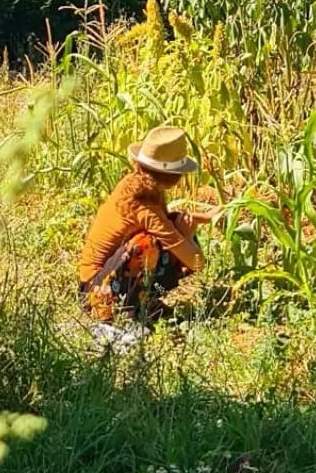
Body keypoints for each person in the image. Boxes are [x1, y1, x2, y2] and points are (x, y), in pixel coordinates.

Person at [78, 125, 217, 325]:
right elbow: (197, 263)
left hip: (100, 277)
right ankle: (122, 307)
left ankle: (145, 299)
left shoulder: (135, 184)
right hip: (96, 290)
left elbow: (165, 223)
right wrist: (186, 235)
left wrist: (204, 217)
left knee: (174, 225)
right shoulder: (145, 208)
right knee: (147, 244)